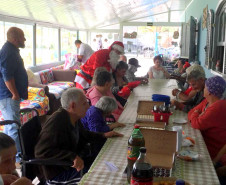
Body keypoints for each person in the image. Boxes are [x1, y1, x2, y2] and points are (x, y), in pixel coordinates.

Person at [35, 88, 123, 184]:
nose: (88, 106)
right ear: (73, 106)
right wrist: (72, 157)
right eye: (84, 104)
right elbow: (41, 152)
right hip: (59, 174)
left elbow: (84, 134)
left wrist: (103, 135)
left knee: (105, 164)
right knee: (102, 177)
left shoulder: (73, 117)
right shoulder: (57, 122)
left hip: (71, 164)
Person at [0, 27, 28, 162]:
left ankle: (6, 157)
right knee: (13, 127)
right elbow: (7, 75)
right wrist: (15, 94)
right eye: (23, 36)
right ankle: (17, 160)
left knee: (9, 126)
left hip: (8, 95)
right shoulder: (8, 52)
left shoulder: (11, 50)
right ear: (15, 38)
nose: (25, 39)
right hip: (8, 96)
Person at [188, 76, 226, 163]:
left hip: (211, 151)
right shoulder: (207, 102)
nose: (203, 89)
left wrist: (196, 115)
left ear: (209, 92)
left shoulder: (218, 107)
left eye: (205, 87)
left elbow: (196, 124)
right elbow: (191, 112)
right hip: (203, 142)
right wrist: (197, 114)